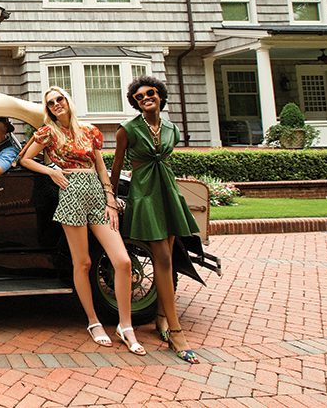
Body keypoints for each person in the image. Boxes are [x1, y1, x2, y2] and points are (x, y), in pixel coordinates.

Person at [20, 86, 145, 355]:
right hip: (71, 193)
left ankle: (126, 325)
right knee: (83, 262)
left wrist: (110, 197)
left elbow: (100, 165)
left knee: (122, 261)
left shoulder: (89, 130)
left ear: (68, 100)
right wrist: (51, 173)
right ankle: (93, 321)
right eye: (50, 103)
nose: (56, 105)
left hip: (96, 193)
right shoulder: (48, 133)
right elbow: (25, 159)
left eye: (59, 99)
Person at [109, 76, 200, 364]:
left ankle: (161, 317)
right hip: (145, 195)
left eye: (150, 93)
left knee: (169, 256)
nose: (146, 98)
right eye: (139, 96)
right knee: (161, 257)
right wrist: (110, 197)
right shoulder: (128, 129)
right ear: (134, 102)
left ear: (160, 95)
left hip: (167, 192)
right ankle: (175, 332)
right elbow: (117, 164)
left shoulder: (172, 128)